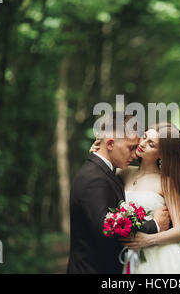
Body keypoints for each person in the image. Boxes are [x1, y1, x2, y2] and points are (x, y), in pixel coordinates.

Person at [66, 112, 170, 274]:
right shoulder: (96, 179)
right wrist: (154, 225)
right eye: (131, 148)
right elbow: (107, 232)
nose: (136, 154)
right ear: (110, 144)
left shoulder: (105, 171)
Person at [90, 122, 180, 274]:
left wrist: (149, 239)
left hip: (159, 257)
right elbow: (99, 173)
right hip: (127, 255)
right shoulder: (124, 172)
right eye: (144, 137)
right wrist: (96, 151)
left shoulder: (166, 182)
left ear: (162, 154)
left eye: (151, 144)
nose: (142, 144)